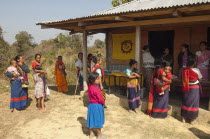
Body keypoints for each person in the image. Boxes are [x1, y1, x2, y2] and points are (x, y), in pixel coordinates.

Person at [182, 54, 202, 124]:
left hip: (186, 87)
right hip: (194, 88)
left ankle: (184, 118)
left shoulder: (184, 70)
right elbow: (200, 78)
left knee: (186, 101)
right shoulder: (197, 70)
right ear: (194, 62)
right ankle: (192, 119)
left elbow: (184, 79)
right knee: (194, 103)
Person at [86, 73, 106, 139]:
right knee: (98, 120)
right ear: (93, 80)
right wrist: (103, 103)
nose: (99, 80)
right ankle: (99, 135)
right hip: (97, 106)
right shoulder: (96, 88)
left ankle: (91, 134)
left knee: (91, 119)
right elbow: (100, 98)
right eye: (97, 78)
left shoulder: (90, 87)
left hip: (91, 105)